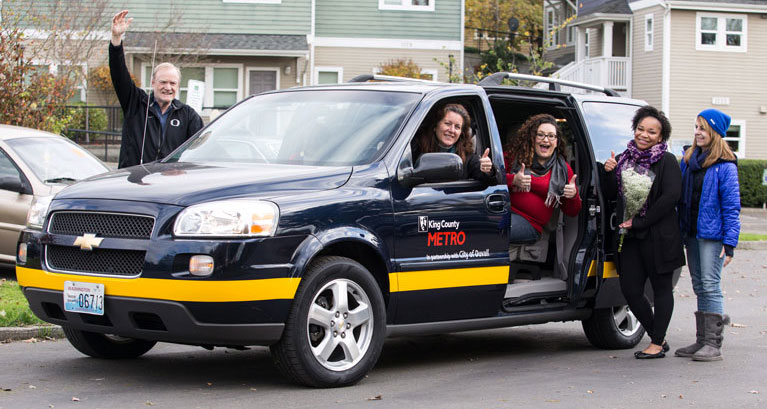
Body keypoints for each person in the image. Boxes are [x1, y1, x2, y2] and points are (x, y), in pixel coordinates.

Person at [602, 105, 685, 359]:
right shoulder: (624, 159)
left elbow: (671, 196)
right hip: (630, 238)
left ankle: (657, 343)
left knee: (661, 288)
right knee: (630, 289)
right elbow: (613, 196)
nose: (644, 135)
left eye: (651, 132)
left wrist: (640, 221)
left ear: (660, 137)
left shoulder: (667, 160)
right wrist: (608, 174)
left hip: (659, 236)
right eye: (640, 129)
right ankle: (657, 336)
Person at [675, 109, 740, 361]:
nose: (697, 132)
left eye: (703, 128)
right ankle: (702, 340)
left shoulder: (725, 166)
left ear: (715, 132)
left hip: (713, 236)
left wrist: (730, 242)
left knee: (710, 286)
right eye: (696, 127)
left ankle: (713, 344)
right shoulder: (688, 160)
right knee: (699, 284)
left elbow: (732, 207)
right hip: (691, 231)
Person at [110, 10, 203, 169]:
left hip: (169, 185)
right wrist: (116, 39)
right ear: (153, 82)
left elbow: (201, 149)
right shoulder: (136, 104)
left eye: (173, 83)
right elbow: (119, 74)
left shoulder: (188, 116)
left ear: (178, 86)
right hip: (133, 183)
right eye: (163, 82)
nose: (168, 88)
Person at [504, 114, 581, 244]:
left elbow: (572, 212)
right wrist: (513, 180)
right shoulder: (514, 157)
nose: (545, 140)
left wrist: (573, 195)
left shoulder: (563, 170)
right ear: (532, 138)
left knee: (496, 229)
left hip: (530, 224)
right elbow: (493, 180)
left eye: (551, 136)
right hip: (503, 210)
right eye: (540, 135)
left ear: (556, 142)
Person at [412, 103, 496, 183]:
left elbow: (492, 181)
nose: (452, 130)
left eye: (457, 127)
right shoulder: (415, 149)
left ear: (461, 133)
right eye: (447, 124)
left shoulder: (468, 158)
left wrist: (488, 170)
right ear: (435, 126)